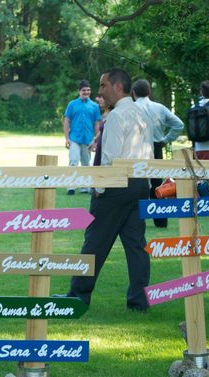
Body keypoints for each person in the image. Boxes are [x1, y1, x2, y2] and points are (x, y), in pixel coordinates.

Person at [63, 68, 153, 312]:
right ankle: (139, 301)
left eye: (103, 86)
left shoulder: (115, 117)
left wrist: (99, 189)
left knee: (95, 243)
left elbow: (110, 159)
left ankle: (77, 297)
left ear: (118, 87)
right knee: (136, 246)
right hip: (139, 185)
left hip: (115, 186)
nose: (99, 91)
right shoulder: (142, 113)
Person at [132, 78, 184, 228]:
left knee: (137, 182)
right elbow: (178, 124)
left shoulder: (132, 108)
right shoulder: (159, 108)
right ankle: (160, 220)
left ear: (134, 93)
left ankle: (137, 219)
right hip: (156, 147)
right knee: (157, 185)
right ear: (149, 92)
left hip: (137, 148)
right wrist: (166, 139)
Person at [64, 80, 102, 194]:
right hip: (74, 138)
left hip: (88, 139)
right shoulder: (72, 104)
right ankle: (71, 187)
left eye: (88, 90)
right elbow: (67, 121)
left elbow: (97, 123)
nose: (86, 92)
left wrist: (96, 140)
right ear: (79, 91)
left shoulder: (95, 106)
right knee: (74, 161)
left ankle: (84, 187)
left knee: (86, 163)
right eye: (84, 90)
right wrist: (66, 138)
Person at [92, 94, 112, 166]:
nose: (99, 100)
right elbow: (102, 131)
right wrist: (95, 140)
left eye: (102, 98)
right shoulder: (103, 113)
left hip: (106, 148)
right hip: (100, 145)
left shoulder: (112, 114)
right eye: (99, 97)